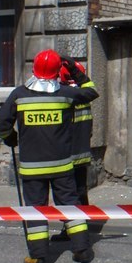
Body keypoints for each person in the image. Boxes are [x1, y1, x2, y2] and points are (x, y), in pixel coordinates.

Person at [0, 50, 99, 263]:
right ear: (56, 71)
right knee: (71, 206)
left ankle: (39, 256)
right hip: (62, 166)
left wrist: (11, 138)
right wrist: (73, 68)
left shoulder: (19, 95)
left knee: (35, 209)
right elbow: (91, 92)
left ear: (34, 69)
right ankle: (82, 250)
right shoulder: (65, 93)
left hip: (32, 168)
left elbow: (1, 122)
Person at [51, 60, 95, 242]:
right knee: (80, 191)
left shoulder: (65, 95)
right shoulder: (83, 94)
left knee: (66, 196)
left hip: (67, 155)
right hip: (82, 154)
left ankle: (71, 230)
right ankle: (83, 226)